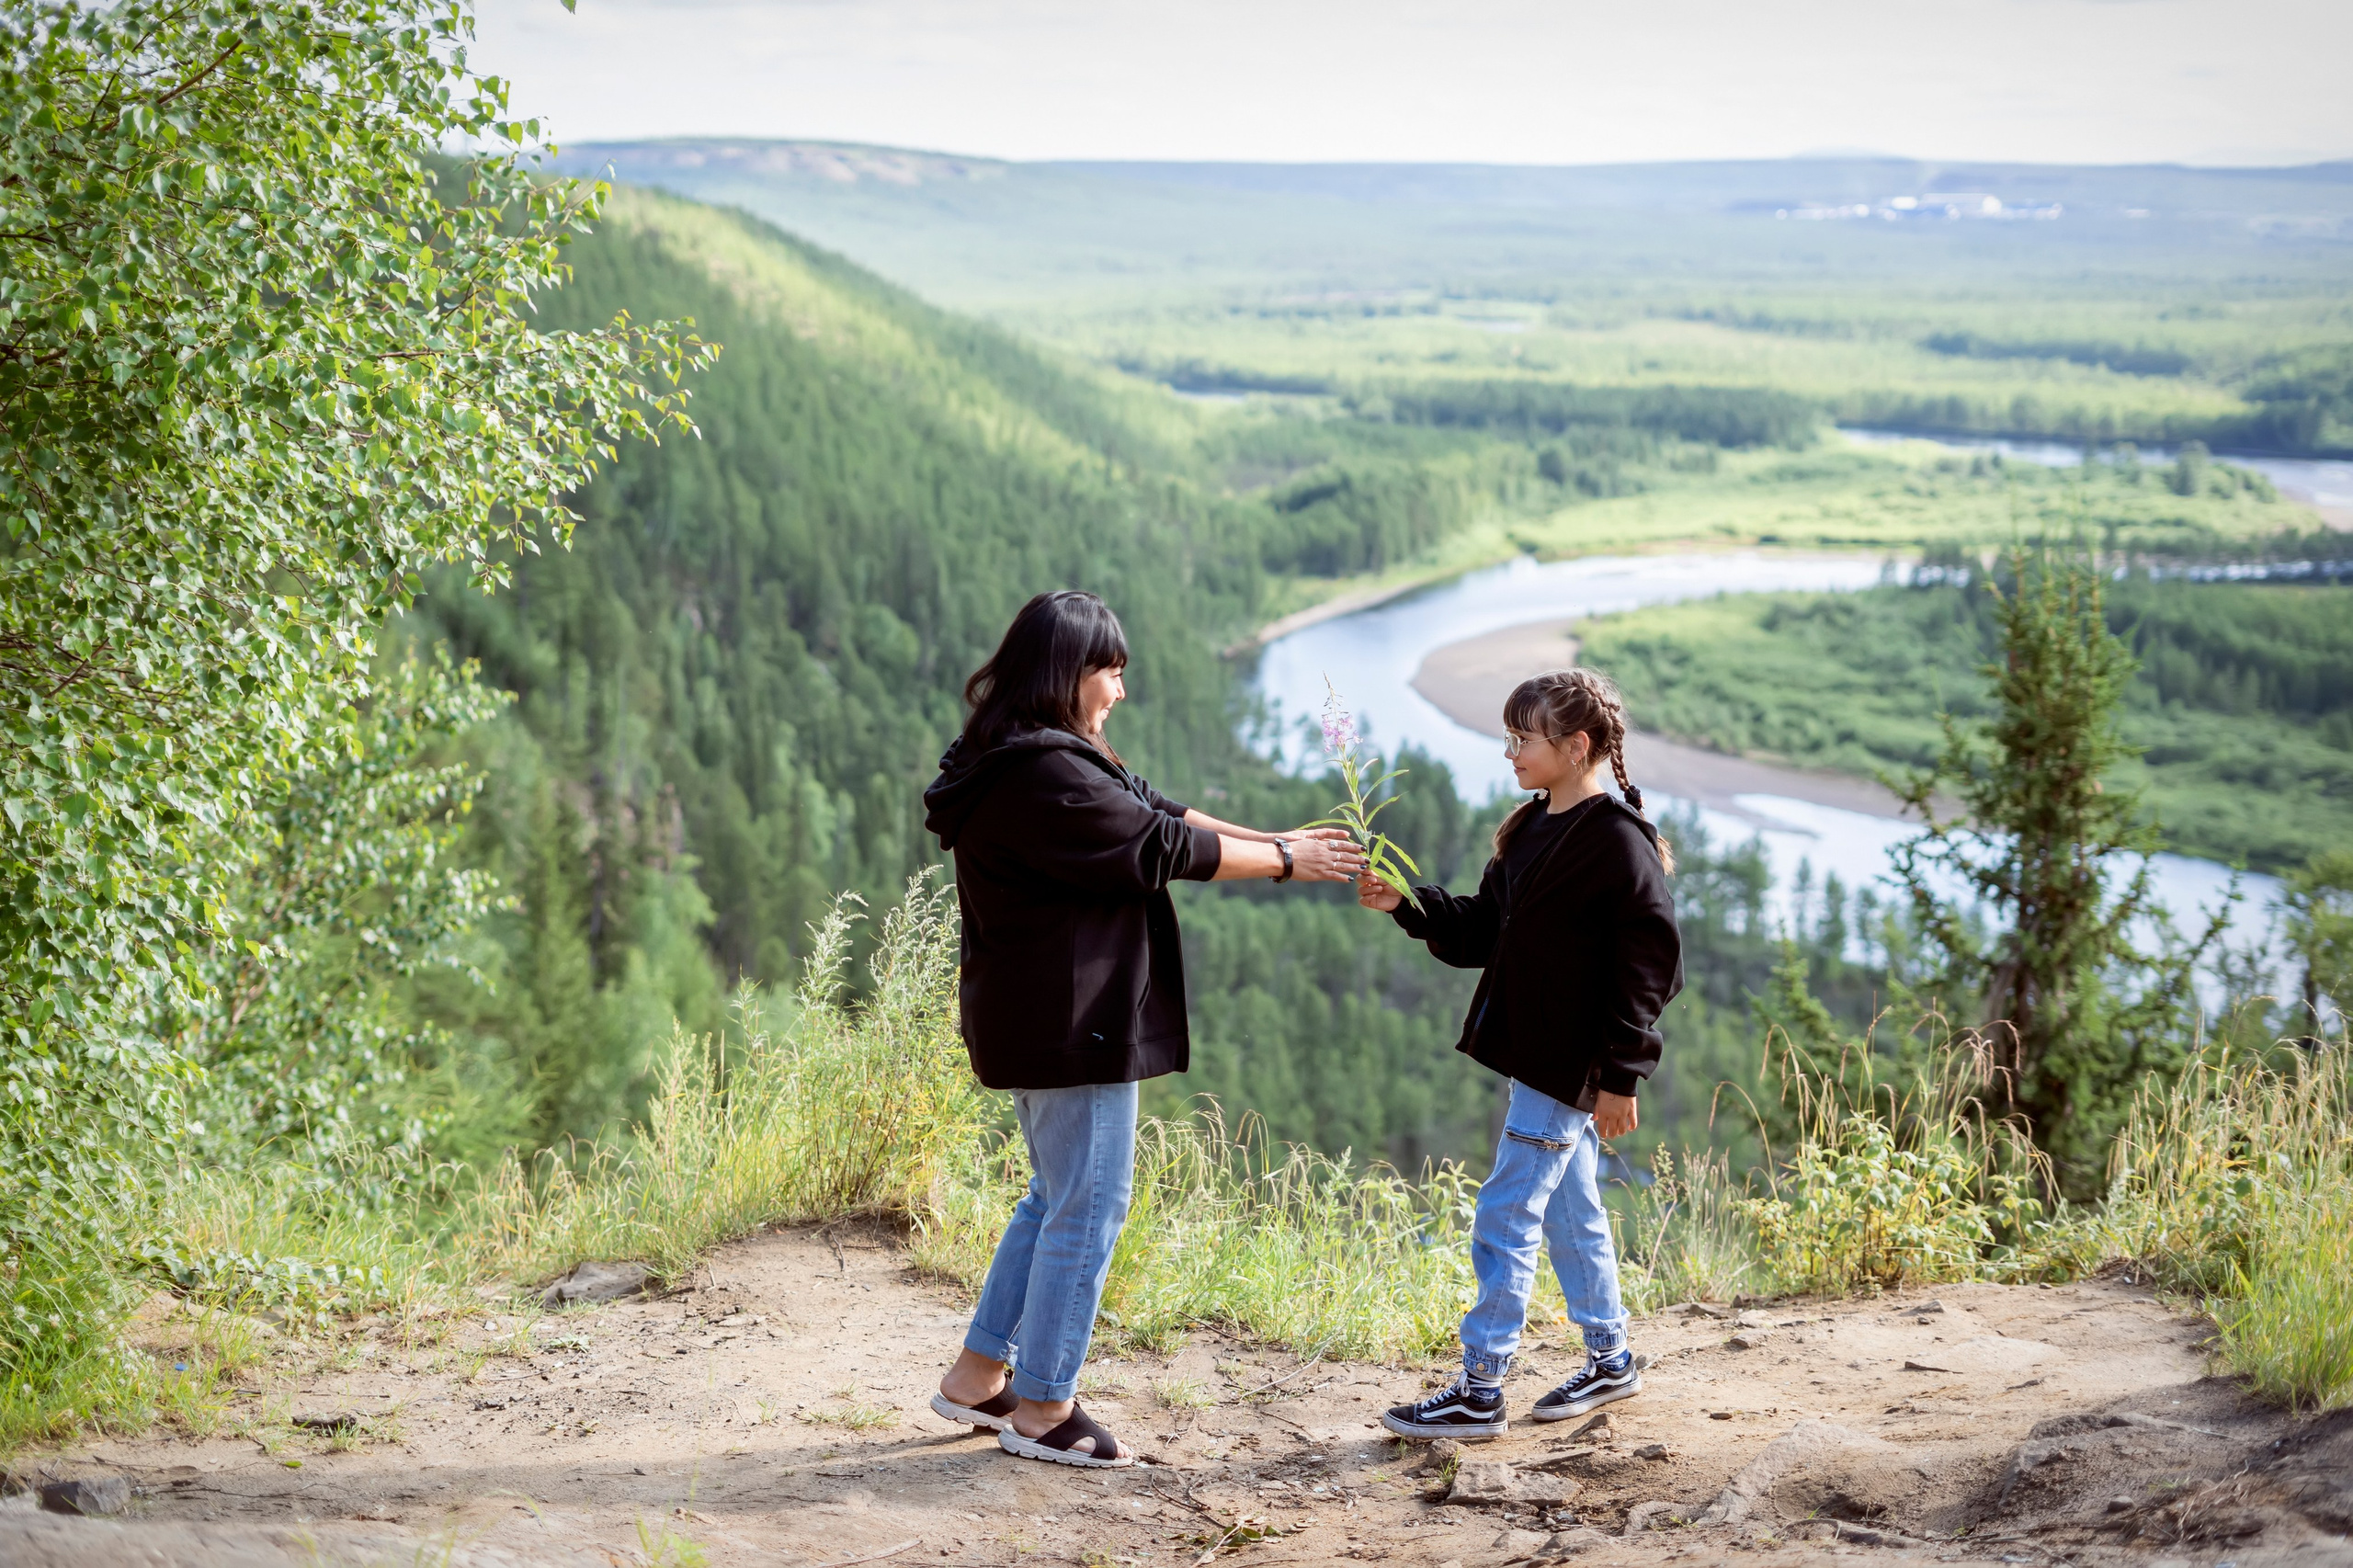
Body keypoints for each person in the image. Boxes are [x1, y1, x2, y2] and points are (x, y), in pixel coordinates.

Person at [921, 589, 1364, 1468]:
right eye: (1110, 672)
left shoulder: (1028, 752)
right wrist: (1285, 864)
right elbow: (1162, 849)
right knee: (1089, 1210)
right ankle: (1044, 1409)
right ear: (1069, 673)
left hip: (1042, 1013)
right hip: (1071, 1018)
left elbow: (1161, 813)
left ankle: (977, 1378)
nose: (1120, 690)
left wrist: (1279, 840)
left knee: (1055, 1199)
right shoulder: (1044, 773)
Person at [1357, 667, 1682, 1439]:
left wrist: (1620, 1076)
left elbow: (1650, 972)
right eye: (1508, 737)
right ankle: (1612, 1360)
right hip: (1535, 1058)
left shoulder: (1617, 843)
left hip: (1567, 1068)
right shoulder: (1532, 825)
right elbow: (1481, 930)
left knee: (1506, 1215)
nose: (1508, 752)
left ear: (1575, 747)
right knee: (1573, 1215)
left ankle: (1480, 1387)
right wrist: (1410, 903)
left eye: (1521, 739)